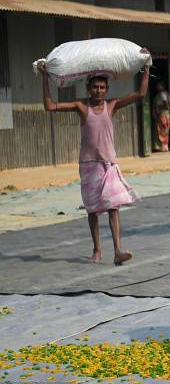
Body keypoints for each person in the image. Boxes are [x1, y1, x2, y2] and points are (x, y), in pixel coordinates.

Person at [38, 52, 150, 265]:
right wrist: (45, 77)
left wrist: (146, 66)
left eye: (102, 88)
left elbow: (141, 94)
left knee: (113, 207)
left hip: (108, 165)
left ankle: (118, 251)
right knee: (92, 210)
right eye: (95, 87)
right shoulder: (82, 108)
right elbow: (50, 106)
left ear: (107, 90)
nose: (98, 91)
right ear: (88, 89)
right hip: (89, 165)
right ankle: (97, 251)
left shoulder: (113, 105)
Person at [153, 81, 170, 152]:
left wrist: (158, 108)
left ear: (163, 86)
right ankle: (164, 146)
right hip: (164, 114)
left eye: (159, 85)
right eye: (157, 85)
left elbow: (166, 104)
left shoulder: (162, 94)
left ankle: (164, 146)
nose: (158, 87)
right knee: (164, 129)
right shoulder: (164, 94)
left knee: (163, 129)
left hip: (163, 114)